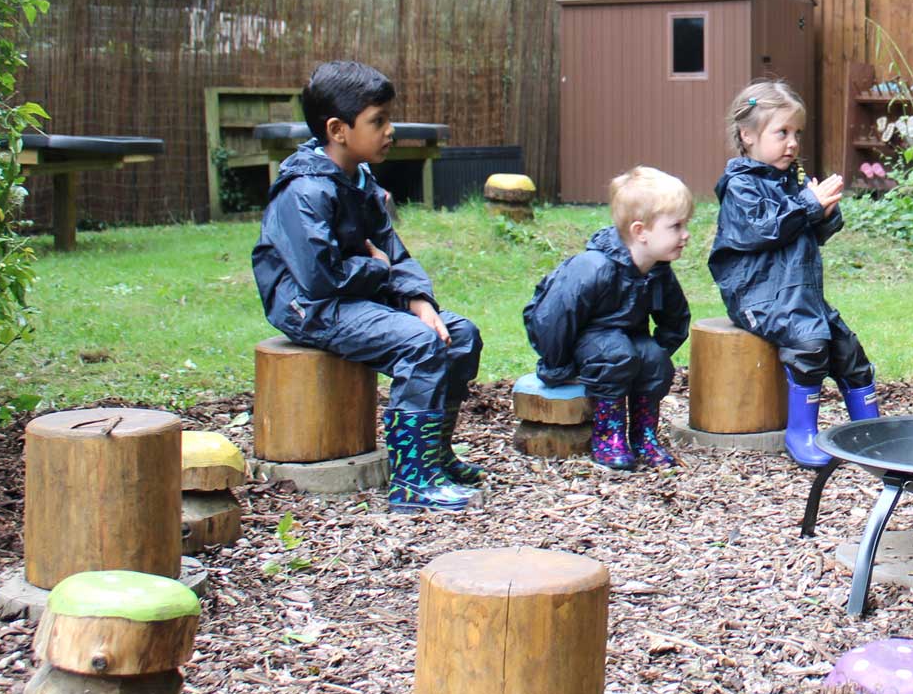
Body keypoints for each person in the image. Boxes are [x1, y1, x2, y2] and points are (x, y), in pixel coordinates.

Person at [253, 61, 484, 514]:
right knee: (419, 345)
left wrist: (417, 297)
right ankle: (412, 481)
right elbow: (320, 278)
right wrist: (377, 270)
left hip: (353, 296)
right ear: (338, 130)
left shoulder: (362, 181)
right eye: (378, 121)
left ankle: (434, 455)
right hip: (310, 306)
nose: (390, 130)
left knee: (458, 335)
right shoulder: (304, 191)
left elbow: (393, 254)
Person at [709, 80, 879, 467]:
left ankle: (868, 430)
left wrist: (826, 214)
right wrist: (807, 205)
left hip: (797, 292)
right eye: (781, 132)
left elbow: (807, 234)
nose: (792, 143)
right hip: (758, 294)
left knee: (847, 349)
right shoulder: (741, 187)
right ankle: (801, 432)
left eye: (797, 133)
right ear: (747, 135)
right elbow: (764, 230)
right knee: (810, 344)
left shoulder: (790, 180)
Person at [524, 166, 693, 472]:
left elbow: (676, 317)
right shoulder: (595, 267)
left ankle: (644, 435)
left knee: (653, 360)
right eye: (676, 226)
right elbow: (554, 318)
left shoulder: (657, 270)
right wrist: (559, 366)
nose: (686, 235)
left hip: (625, 339)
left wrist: (654, 356)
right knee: (616, 354)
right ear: (640, 232)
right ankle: (609, 433)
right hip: (586, 341)